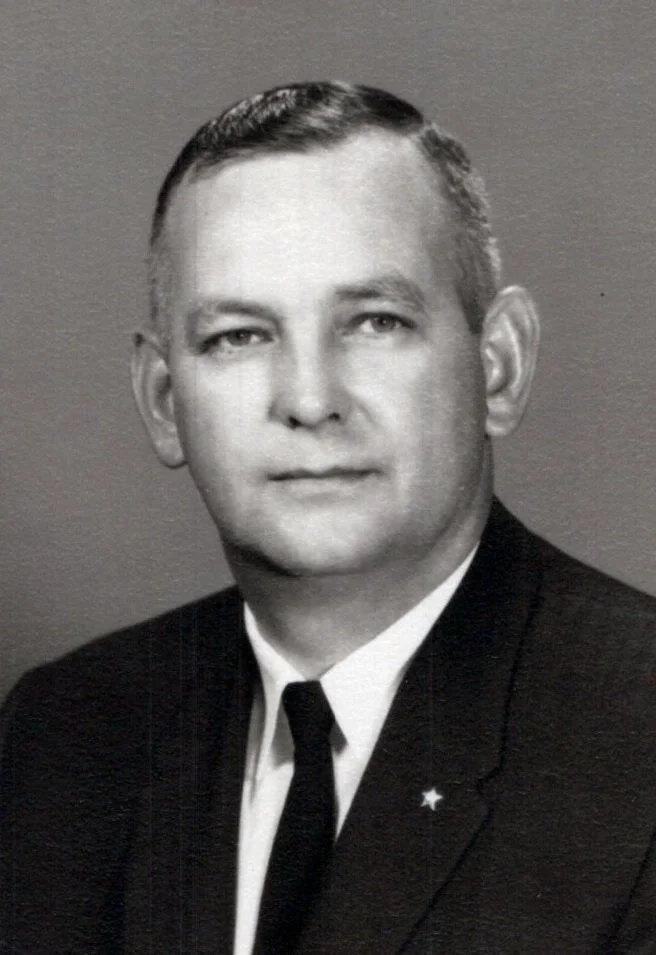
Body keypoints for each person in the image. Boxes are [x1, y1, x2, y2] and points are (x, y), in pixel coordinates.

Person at [1, 81, 655, 955]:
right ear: (164, 402)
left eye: (375, 321)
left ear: (498, 366)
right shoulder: (66, 734)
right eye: (240, 335)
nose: (309, 399)